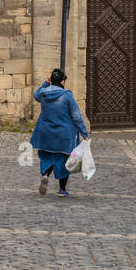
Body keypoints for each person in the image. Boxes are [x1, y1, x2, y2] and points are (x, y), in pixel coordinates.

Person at [30, 68, 88, 197]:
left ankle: (45, 175)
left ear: (51, 80)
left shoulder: (44, 94)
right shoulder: (66, 95)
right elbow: (76, 116)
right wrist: (84, 132)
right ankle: (62, 189)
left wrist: (46, 83)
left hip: (45, 133)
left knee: (46, 156)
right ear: (62, 81)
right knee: (64, 160)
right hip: (64, 135)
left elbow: (36, 95)